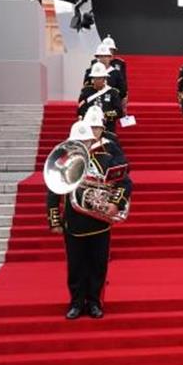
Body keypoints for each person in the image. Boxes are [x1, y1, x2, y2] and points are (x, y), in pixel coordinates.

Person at [46, 121, 133, 319]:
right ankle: (76, 302)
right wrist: (55, 220)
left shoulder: (106, 158)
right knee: (76, 265)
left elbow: (124, 182)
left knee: (98, 264)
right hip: (74, 221)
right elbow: (53, 190)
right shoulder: (64, 161)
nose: (82, 145)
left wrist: (115, 204)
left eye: (85, 141)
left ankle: (95, 301)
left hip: (99, 222)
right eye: (78, 141)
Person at [77, 62, 124, 132]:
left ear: (105, 78)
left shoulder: (113, 92)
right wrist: (91, 116)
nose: (97, 80)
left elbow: (119, 111)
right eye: (95, 78)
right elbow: (80, 109)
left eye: (100, 78)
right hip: (89, 127)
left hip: (108, 127)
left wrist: (105, 115)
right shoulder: (86, 91)